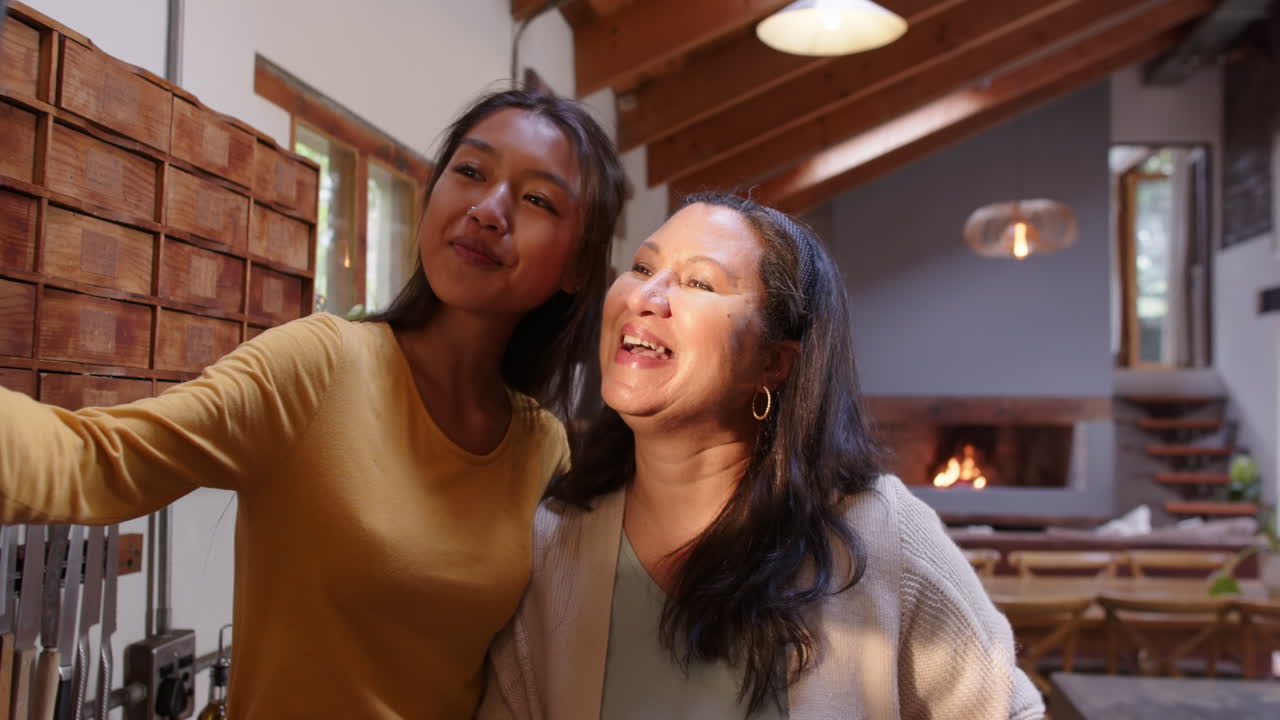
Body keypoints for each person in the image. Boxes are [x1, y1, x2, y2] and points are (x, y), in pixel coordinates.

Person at [0, 88, 626, 718]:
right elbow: (93, 459)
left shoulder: (541, 445)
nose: (490, 209)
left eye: (537, 199)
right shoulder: (322, 365)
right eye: (470, 171)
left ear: (577, 265)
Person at [479, 192, 1044, 720]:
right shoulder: (552, 544)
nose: (646, 298)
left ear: (774, 361)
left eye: (699, 283)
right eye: (644, 268)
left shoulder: (878, 533)